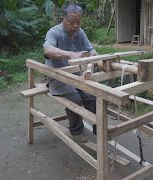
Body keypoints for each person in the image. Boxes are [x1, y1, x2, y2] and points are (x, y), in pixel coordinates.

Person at [43, 3, 97, 143]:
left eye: (78, 22)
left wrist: (96, 56)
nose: (75, 26)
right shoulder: (54, 32)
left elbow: (90, 49)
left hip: (76, 76)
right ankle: (76, 130)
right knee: (75, 99)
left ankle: (99, 126)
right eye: (71, 22)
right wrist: (70, 55)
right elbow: (48, 51)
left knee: (93, 96)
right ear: (63, 18)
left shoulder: (80, 32)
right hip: (58, 77)